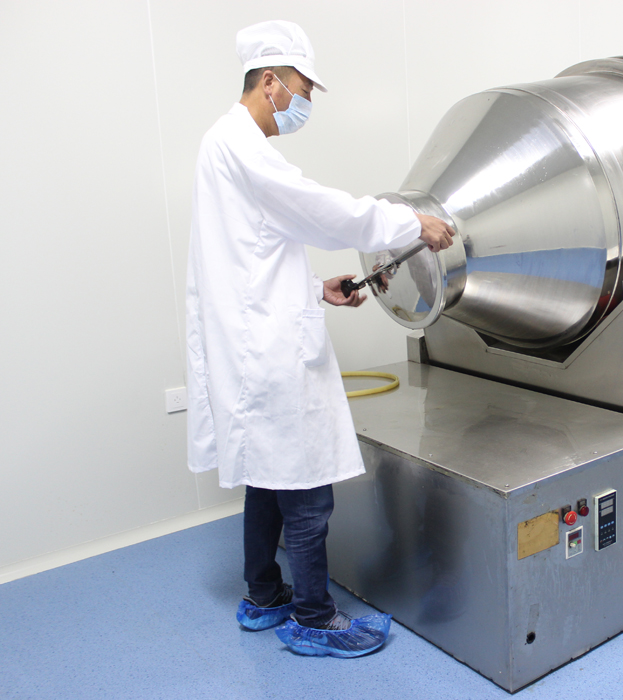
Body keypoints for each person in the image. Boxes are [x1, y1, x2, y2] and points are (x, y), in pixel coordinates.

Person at [185, 20, 454, 657]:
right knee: (305, 490)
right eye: (303, 89)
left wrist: (315, 289)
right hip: (268, 351)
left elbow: (249, 257)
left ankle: (263, 596)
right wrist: (410, 222)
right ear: (270, 82)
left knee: (266, 478)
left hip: (252, 335)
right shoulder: (244, 148)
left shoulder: (222, 143)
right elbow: (324, 211)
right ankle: (313, 617)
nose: (306, 102)